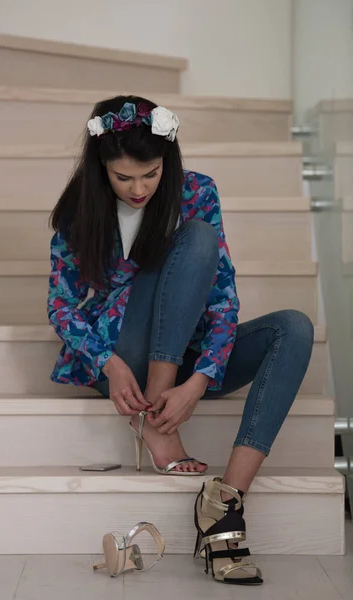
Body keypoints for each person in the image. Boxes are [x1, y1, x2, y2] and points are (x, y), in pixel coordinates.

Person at [47, 95, 314, 585]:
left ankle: (223, 509)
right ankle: (161, 428)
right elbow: (61, 306)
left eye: (150, 173)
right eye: (122, 177)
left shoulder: (196, 192)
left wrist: (202, 379)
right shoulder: (77, 212)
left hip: (185, 364)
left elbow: (222, 297)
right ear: (100, 168)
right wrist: (107, 362)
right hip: (122, 360)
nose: (139, 188)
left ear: (167, 161)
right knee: (177, 248)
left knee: (293, 327)